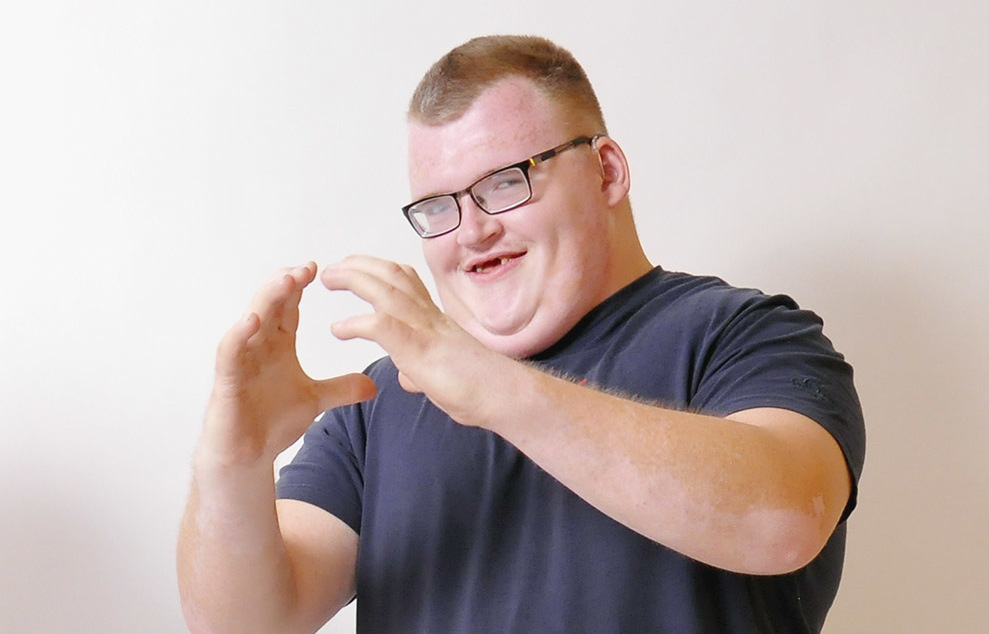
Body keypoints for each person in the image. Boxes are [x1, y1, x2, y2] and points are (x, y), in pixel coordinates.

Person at [177, 35, 865, 633]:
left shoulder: (741, 334)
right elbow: (245, 622)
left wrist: (490, 389)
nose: (472, 230)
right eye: (439, 206)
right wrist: (231, 464)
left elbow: (783, 522)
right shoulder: (378, 396)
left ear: (606, 171)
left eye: (505, 183)